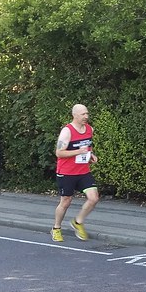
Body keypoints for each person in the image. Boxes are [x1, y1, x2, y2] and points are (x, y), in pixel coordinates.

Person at [52, 104, 99, 242]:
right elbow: (59, 152)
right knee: (66, 202)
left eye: (87, 114)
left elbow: (87, 147)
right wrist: (78, 152)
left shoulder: (90, 129)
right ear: (75, 115)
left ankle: (78, 222)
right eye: (83, 114)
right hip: (66, 172)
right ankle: (56, 228)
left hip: (83, 171)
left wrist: (91, 156)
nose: (86, 117)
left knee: (94, 198)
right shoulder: (67, 131)